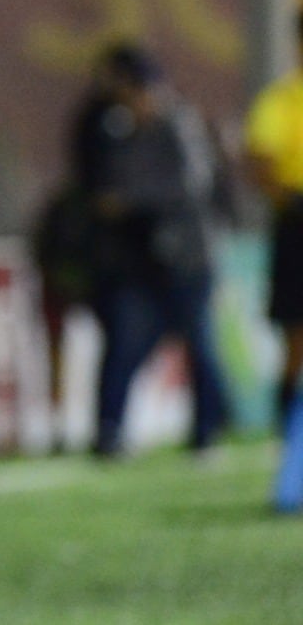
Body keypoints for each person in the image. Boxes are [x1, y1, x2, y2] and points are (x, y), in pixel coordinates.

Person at [81, 44, 229, 459]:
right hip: (147, 259)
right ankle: (110, 432)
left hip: (189, 257)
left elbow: (190, 186)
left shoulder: (179, 123)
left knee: (199, 344)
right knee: (127, 344)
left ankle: (206, 434)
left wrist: (129, 201)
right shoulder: (124, 129)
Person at [243, 9, 303, 430]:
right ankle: (288, 436)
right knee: (296, 334)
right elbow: (261, 162)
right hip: (298, 223)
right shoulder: (281, 100)